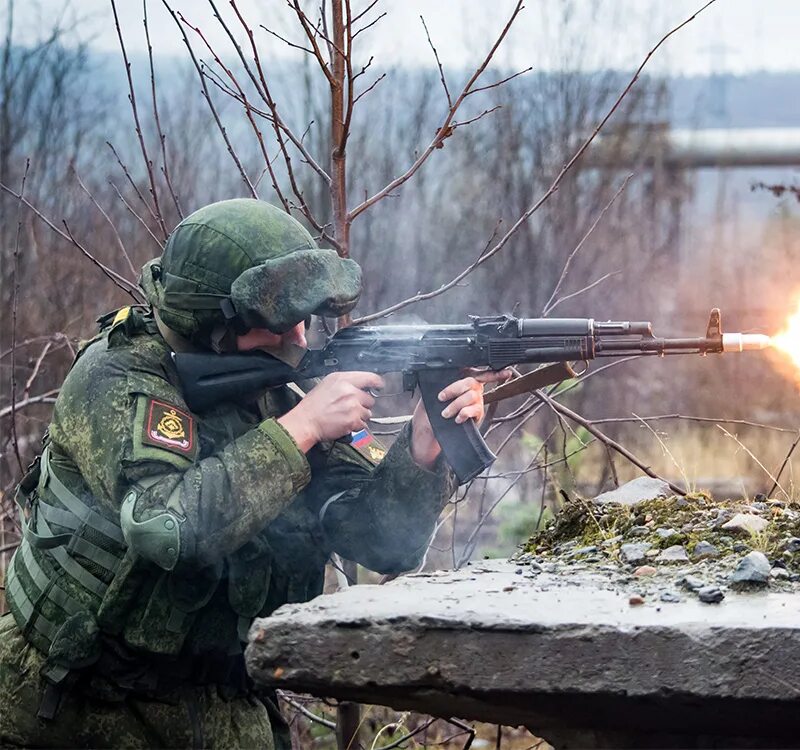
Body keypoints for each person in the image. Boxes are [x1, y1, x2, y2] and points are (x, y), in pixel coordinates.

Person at [0, 199, 501, 748]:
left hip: (227, 711)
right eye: (280, 323)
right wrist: (300, 428)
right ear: (216, 322)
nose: (302, 340)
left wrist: (423, 447)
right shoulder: (121, 378)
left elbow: (380, 540)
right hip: (78, 710)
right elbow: (166, 527)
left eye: (305, 320)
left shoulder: (273, 393)